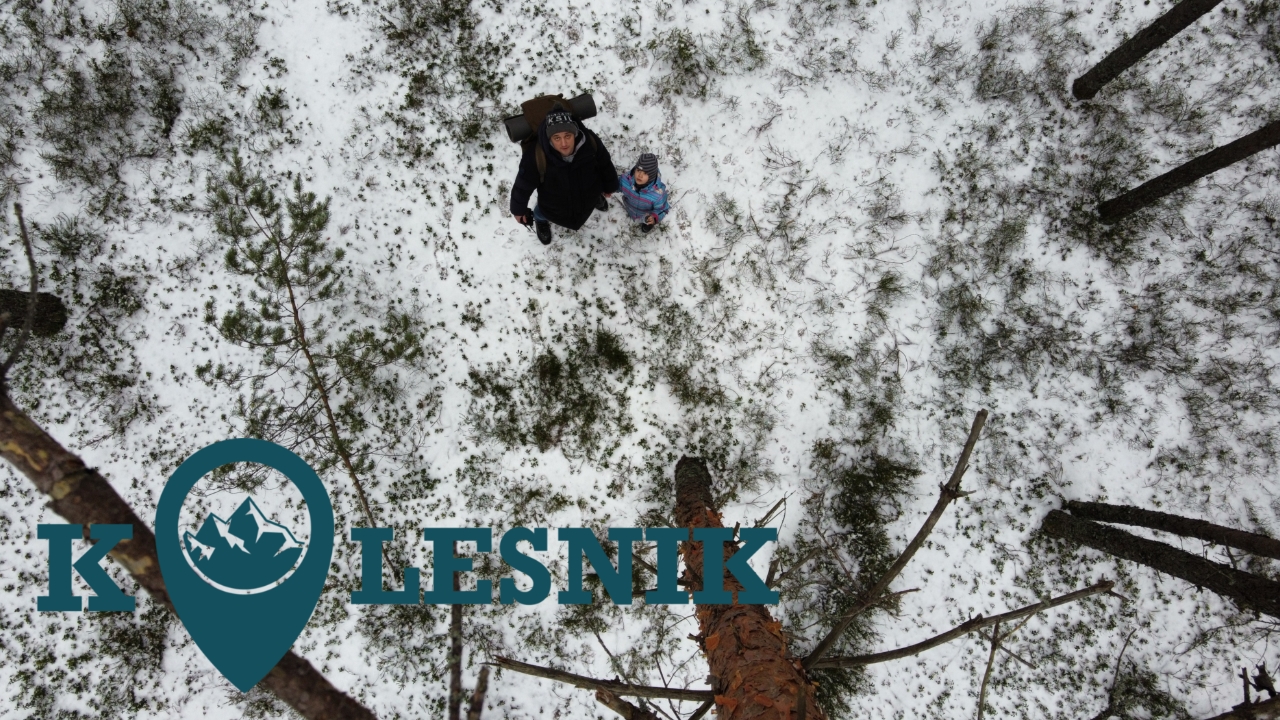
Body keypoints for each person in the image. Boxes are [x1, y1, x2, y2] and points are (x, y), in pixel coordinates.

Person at [510, 106, 619, 245]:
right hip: (553, 206)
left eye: (568, 136)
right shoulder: (536, 155)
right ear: (549, 138)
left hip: (588, 195)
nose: (563, 143)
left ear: (575, 133)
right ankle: (541, 221)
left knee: (591, 197)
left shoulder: (589, 141)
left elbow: (604, 163)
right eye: (557, 138)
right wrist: (518, 210)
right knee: (541, 213)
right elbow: (523, 185)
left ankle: (596, 198)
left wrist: (610, 186)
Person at [616, 153, 670, 234]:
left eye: (645, 173)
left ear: (651, 176)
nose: (640, 175)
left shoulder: (657, 194)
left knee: (648, 221)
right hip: (630, 208)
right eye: (638, 170)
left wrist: (654, 217)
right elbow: (616, 186)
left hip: (646, 215)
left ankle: (648, 224)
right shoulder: (626, 180)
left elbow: (662, 209)